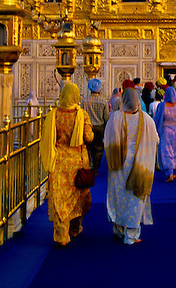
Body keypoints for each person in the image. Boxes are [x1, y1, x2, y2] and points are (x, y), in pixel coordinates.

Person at [40, 82, 94, 247]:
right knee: (80, 196)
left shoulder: (53, 114)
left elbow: (48, 136)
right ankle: (75, 227)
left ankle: (61, 236)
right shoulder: (81, 114)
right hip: (77, 162)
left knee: (59, 199)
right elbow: (89, 137)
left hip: (59, 161)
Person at [104, 87, 158, 245]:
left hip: (119, 164)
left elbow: (107, 140)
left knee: (119, 195)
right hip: (140, 164)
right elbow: (156, 140)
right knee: (136, 196)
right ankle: (131, 235)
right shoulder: (146, 119)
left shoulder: (116, 117)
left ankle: (119, 229)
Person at [154, 85, 176, 182]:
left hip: (166, 131)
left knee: (167, 151)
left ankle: (170, 173)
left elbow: (157, 119)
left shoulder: (162, 105)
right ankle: (172, 172)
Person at [84, 78, 109, 172]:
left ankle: (89, 165)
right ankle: (96, 168)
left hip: (88, 127)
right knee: (98, 148)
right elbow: (106, 116)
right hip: (99, 127)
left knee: (89, 147)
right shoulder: (103, 101)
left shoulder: (85, 101)